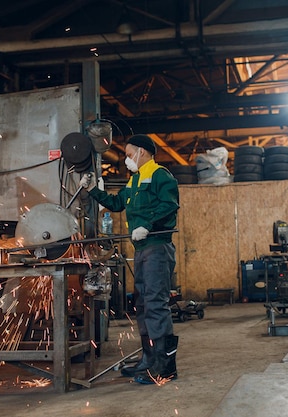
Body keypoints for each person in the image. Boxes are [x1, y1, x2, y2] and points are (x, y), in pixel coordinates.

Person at [79, 134, 180, 384]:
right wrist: (93, 190)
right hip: (142, 250)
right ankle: (148, 360)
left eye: (128, 153)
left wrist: (146, 224)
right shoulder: (134, 180)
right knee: (143, 305)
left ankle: (165, 367)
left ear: (142, 152)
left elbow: (169, 205)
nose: (125, 159)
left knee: (156, 305)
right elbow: (116, 204)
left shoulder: (160, 175)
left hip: (157, 247)